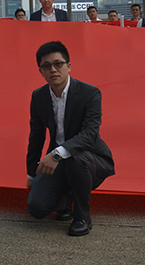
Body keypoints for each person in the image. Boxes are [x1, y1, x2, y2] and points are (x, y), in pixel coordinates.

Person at [26, 40, 115, 237]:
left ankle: (82, 217)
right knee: (37, 208)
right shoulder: (39, 96)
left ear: (69, 66)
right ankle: (64, 202)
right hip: (58, 161)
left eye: (58, 64)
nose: (53, 69)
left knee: (75, 159)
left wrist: (57, 154)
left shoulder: (89, 93)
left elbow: (89, 134)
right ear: (41, 71)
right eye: (47, 66)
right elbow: (36, 136)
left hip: (90, 159)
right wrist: (32, 174)